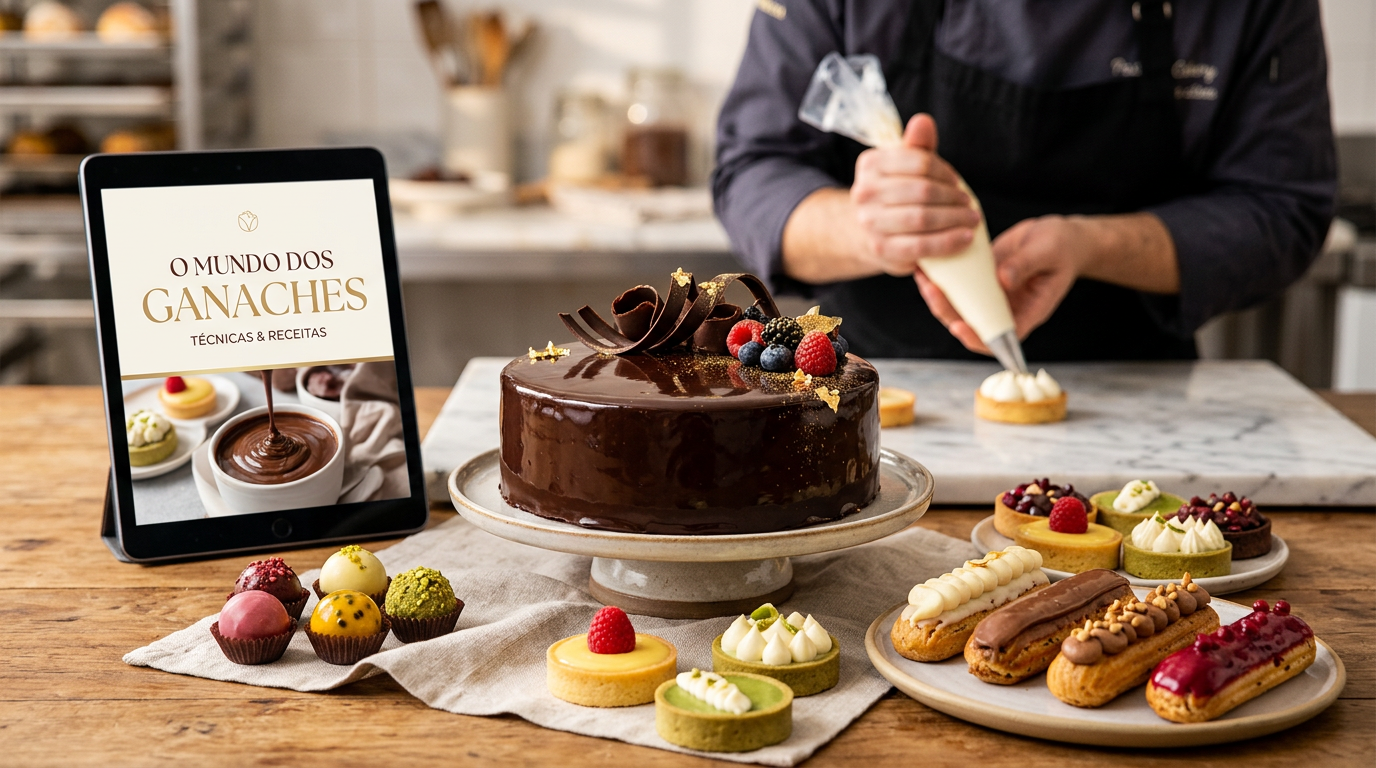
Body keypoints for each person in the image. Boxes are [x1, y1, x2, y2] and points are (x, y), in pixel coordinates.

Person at [712, 0, 1336, 360]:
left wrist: (1092, 246)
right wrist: (867, 226)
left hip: (1137, 395)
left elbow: (1283, 208)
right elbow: (752, 169)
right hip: (872, 384)